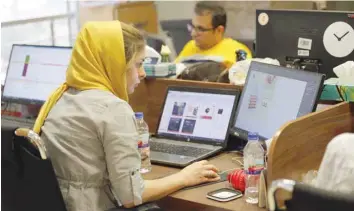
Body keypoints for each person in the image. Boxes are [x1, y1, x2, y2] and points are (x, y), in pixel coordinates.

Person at [33, 21, 220, 211]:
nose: (142, 73)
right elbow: (131, 197)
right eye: (138, 64)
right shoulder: (113, 109)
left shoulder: (61, 97)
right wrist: (184, 177)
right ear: (115, 64)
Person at [175, 1, 252, 68]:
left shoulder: (238, 52)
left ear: (219, 30)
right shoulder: (189, 47)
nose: (193, 34)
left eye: (201, 29)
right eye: (192, 27)